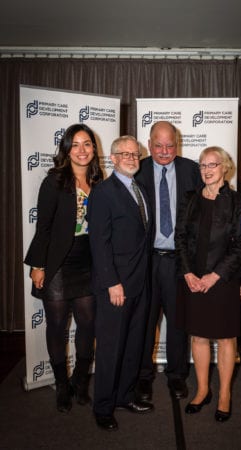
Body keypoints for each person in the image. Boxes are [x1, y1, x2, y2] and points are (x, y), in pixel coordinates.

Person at [24, 123, 103, 412]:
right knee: (57, 327)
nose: (82, 150)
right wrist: (38, 264)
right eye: (76, 144)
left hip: (88, 261)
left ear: (94, 149)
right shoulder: (55, 181)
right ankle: (61, 385)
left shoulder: (98, 179)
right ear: (67, 149)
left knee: (88, 324)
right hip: (58, 262)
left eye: (87, 144)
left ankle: (80, 381)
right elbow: (42, 227)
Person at [175, 146, 241, 421]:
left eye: (212, 165)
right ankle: (203, 389)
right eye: (203, 165)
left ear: (225, 167)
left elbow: (240, 245)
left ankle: (225, 393)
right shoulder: (190, 198)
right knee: (199, 336)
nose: (206, 170)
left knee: (227, 338)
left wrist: (215, 276)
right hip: (193, 278)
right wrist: (187, 273)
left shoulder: (239, 202)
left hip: (223, 280)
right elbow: (180, 237)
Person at [87, 135, 153, 431]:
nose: (131, 158)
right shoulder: (102, 192)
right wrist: (112, 282)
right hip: (116, 286)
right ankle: (103, 406)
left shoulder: (140, 188)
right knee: (111, 347)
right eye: (124, 154)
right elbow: (99, 243)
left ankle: (125, 396)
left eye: (135, 154)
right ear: (111, 158)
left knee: (133, 345)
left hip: (141, 284)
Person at [135, 121, 202, 403]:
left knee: (177, 323)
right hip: (147, 261)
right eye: (158, 145)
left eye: (170, 145)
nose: (164, 151)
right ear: (149, 144)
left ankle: (177, 376)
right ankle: (142, 376)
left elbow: (203, 213)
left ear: (178, 144)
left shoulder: (191, 170)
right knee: (144, 322)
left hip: (179, 261)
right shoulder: (136, 170)